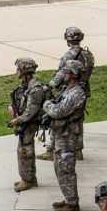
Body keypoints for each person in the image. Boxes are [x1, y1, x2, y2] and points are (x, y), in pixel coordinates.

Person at [38, 27, 95, 162]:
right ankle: (78, 150)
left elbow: (61, 73)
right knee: (77, 120)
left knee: (57, 116)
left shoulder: (69, 55)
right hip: (83, 88)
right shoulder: (88, 54)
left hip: (68, 89)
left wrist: (49, 86)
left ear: (68, 40)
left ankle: (51, 149)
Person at [43, 60, 87, 211]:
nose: (63, 74)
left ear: (74, 74)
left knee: (66, 168)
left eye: (66, 72)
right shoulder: (68, 89)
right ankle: (69, 198)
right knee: (59, 167)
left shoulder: (76, 93)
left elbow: (58, 111)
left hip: (68, 135)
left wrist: (46, 104)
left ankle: (72, 204)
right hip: (61, 133)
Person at [7, 58, 45, 191]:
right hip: (24, 122)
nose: (16, 71)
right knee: (24, 149)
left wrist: (17, 121)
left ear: (25, 71)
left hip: (29, 123)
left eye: (18, 69)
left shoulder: (35, 89)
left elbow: (31, 111)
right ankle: (30, 178)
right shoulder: (25, 85)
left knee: (25, 151)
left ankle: (27, 179)